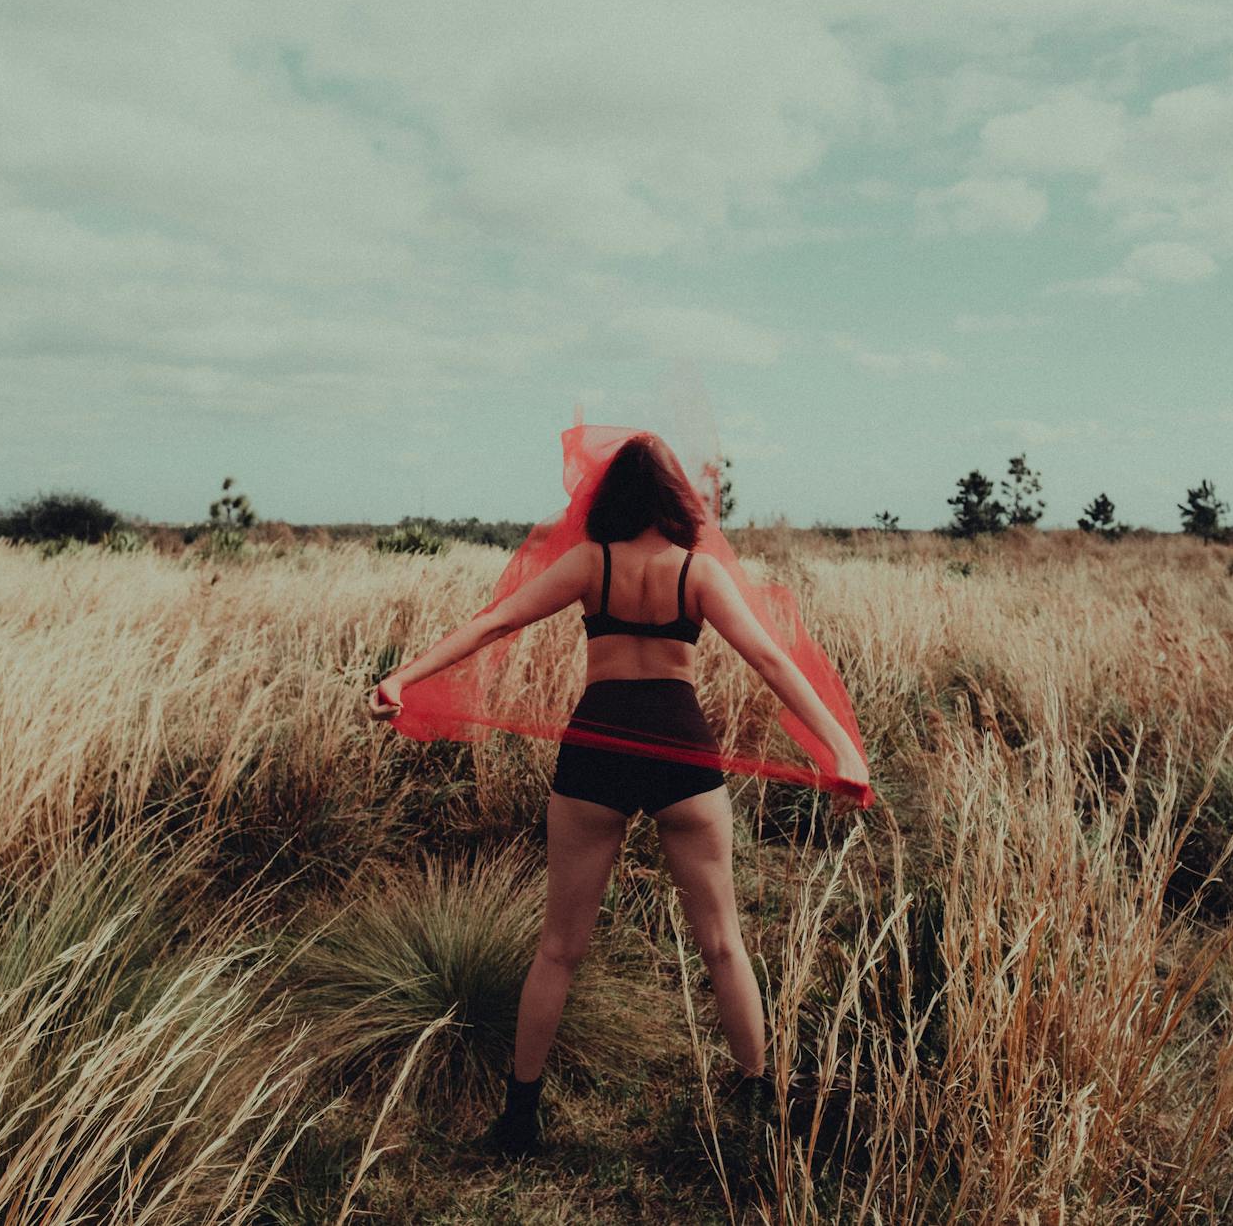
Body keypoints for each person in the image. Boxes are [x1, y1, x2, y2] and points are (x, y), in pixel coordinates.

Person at [367, 433, 870, 1159]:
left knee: (558, 949)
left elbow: (497, 619)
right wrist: (839, 747)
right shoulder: (696, 572)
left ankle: (518, 1119)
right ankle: (760, 1105)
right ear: (674, 497)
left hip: (596, 750)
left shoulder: (588, 563)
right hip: (681, 753)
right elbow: (766, 654)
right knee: (725, 945)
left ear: (605, 498)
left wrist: (404, 679)